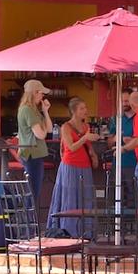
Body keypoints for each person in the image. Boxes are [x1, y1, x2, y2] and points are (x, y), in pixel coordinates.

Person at [48, 97, 100, 236]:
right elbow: (71, 147)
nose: (85, 111)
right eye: (82, 108)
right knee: (69, 197)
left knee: (85, 197)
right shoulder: (66, 127)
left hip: (85, 166)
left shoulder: (85, 126)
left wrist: (93, 154)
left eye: (85, 108)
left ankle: (86, 232)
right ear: (74, 111)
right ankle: (68, 230)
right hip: (70, 166)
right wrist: (85, 138)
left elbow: (87, 146)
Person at [16, 79, 53, 205]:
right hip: (32, 154)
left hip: (33, 154)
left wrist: (46, 111)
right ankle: (29, 221)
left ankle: (30, 221)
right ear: (35, 93)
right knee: (32, 191)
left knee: (32, 191)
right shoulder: (28, 110)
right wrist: (42, 126)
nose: (43, 96)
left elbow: (49, 129)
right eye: (41, 93)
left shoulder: (32, 110)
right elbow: (41, 134)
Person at [107, 87, 137, 208]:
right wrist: (115, 139)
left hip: (134, 163)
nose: (124, 103)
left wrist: (132, 142)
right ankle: (118, 226)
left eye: (126, 101)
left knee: (133, 199)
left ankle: (133, 226)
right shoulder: (116, 119)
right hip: (118, 163)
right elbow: (109, 143)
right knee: (116, 200)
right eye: (122, 101)